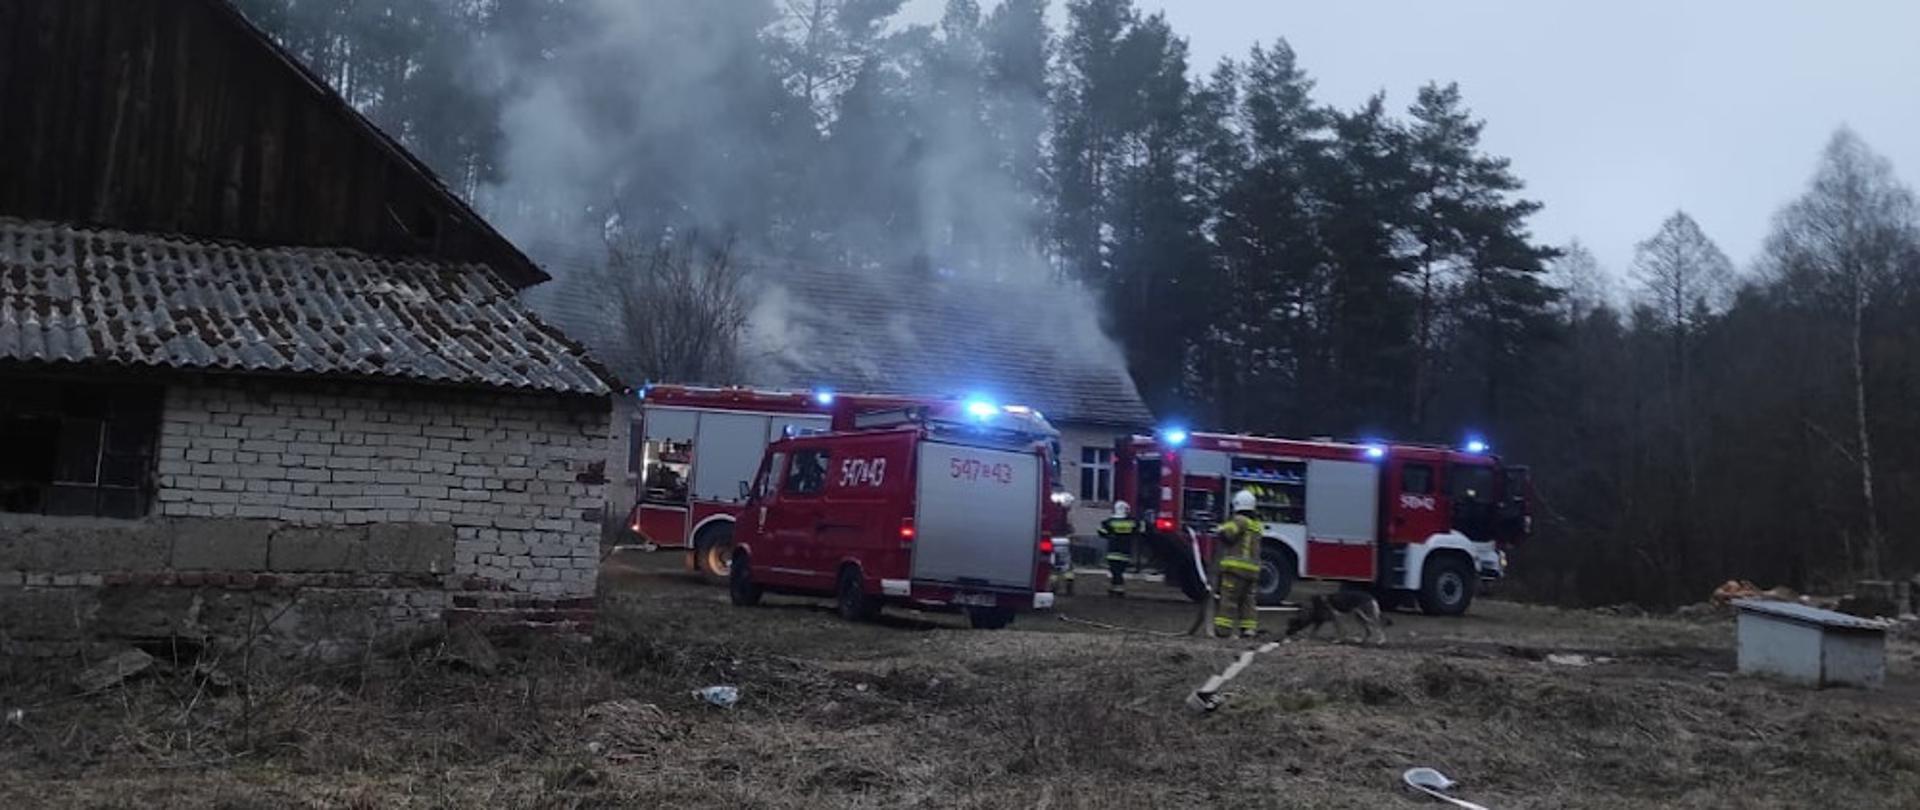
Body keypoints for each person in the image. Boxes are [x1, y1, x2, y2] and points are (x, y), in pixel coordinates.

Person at [1213, 489, 1264, 638]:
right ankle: (1248, 629)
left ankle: (1223, 630)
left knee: (1228, 599)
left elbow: (1229, 534)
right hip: (1252, 572)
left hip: (1235, 570)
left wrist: (1220, 529)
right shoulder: (1256, 525)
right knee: (1248, 601)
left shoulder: (1240, 520)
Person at [1098, 501, 1139, 597]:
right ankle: (1114, 588)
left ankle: (1118, 588)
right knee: (1119, 570)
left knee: (1115, 571)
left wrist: (1110, 535)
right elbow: (1139, 531)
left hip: (1113, 550)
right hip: (1126, 551)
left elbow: (1102, 532)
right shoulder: (1132, 522)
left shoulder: (1109, 522)